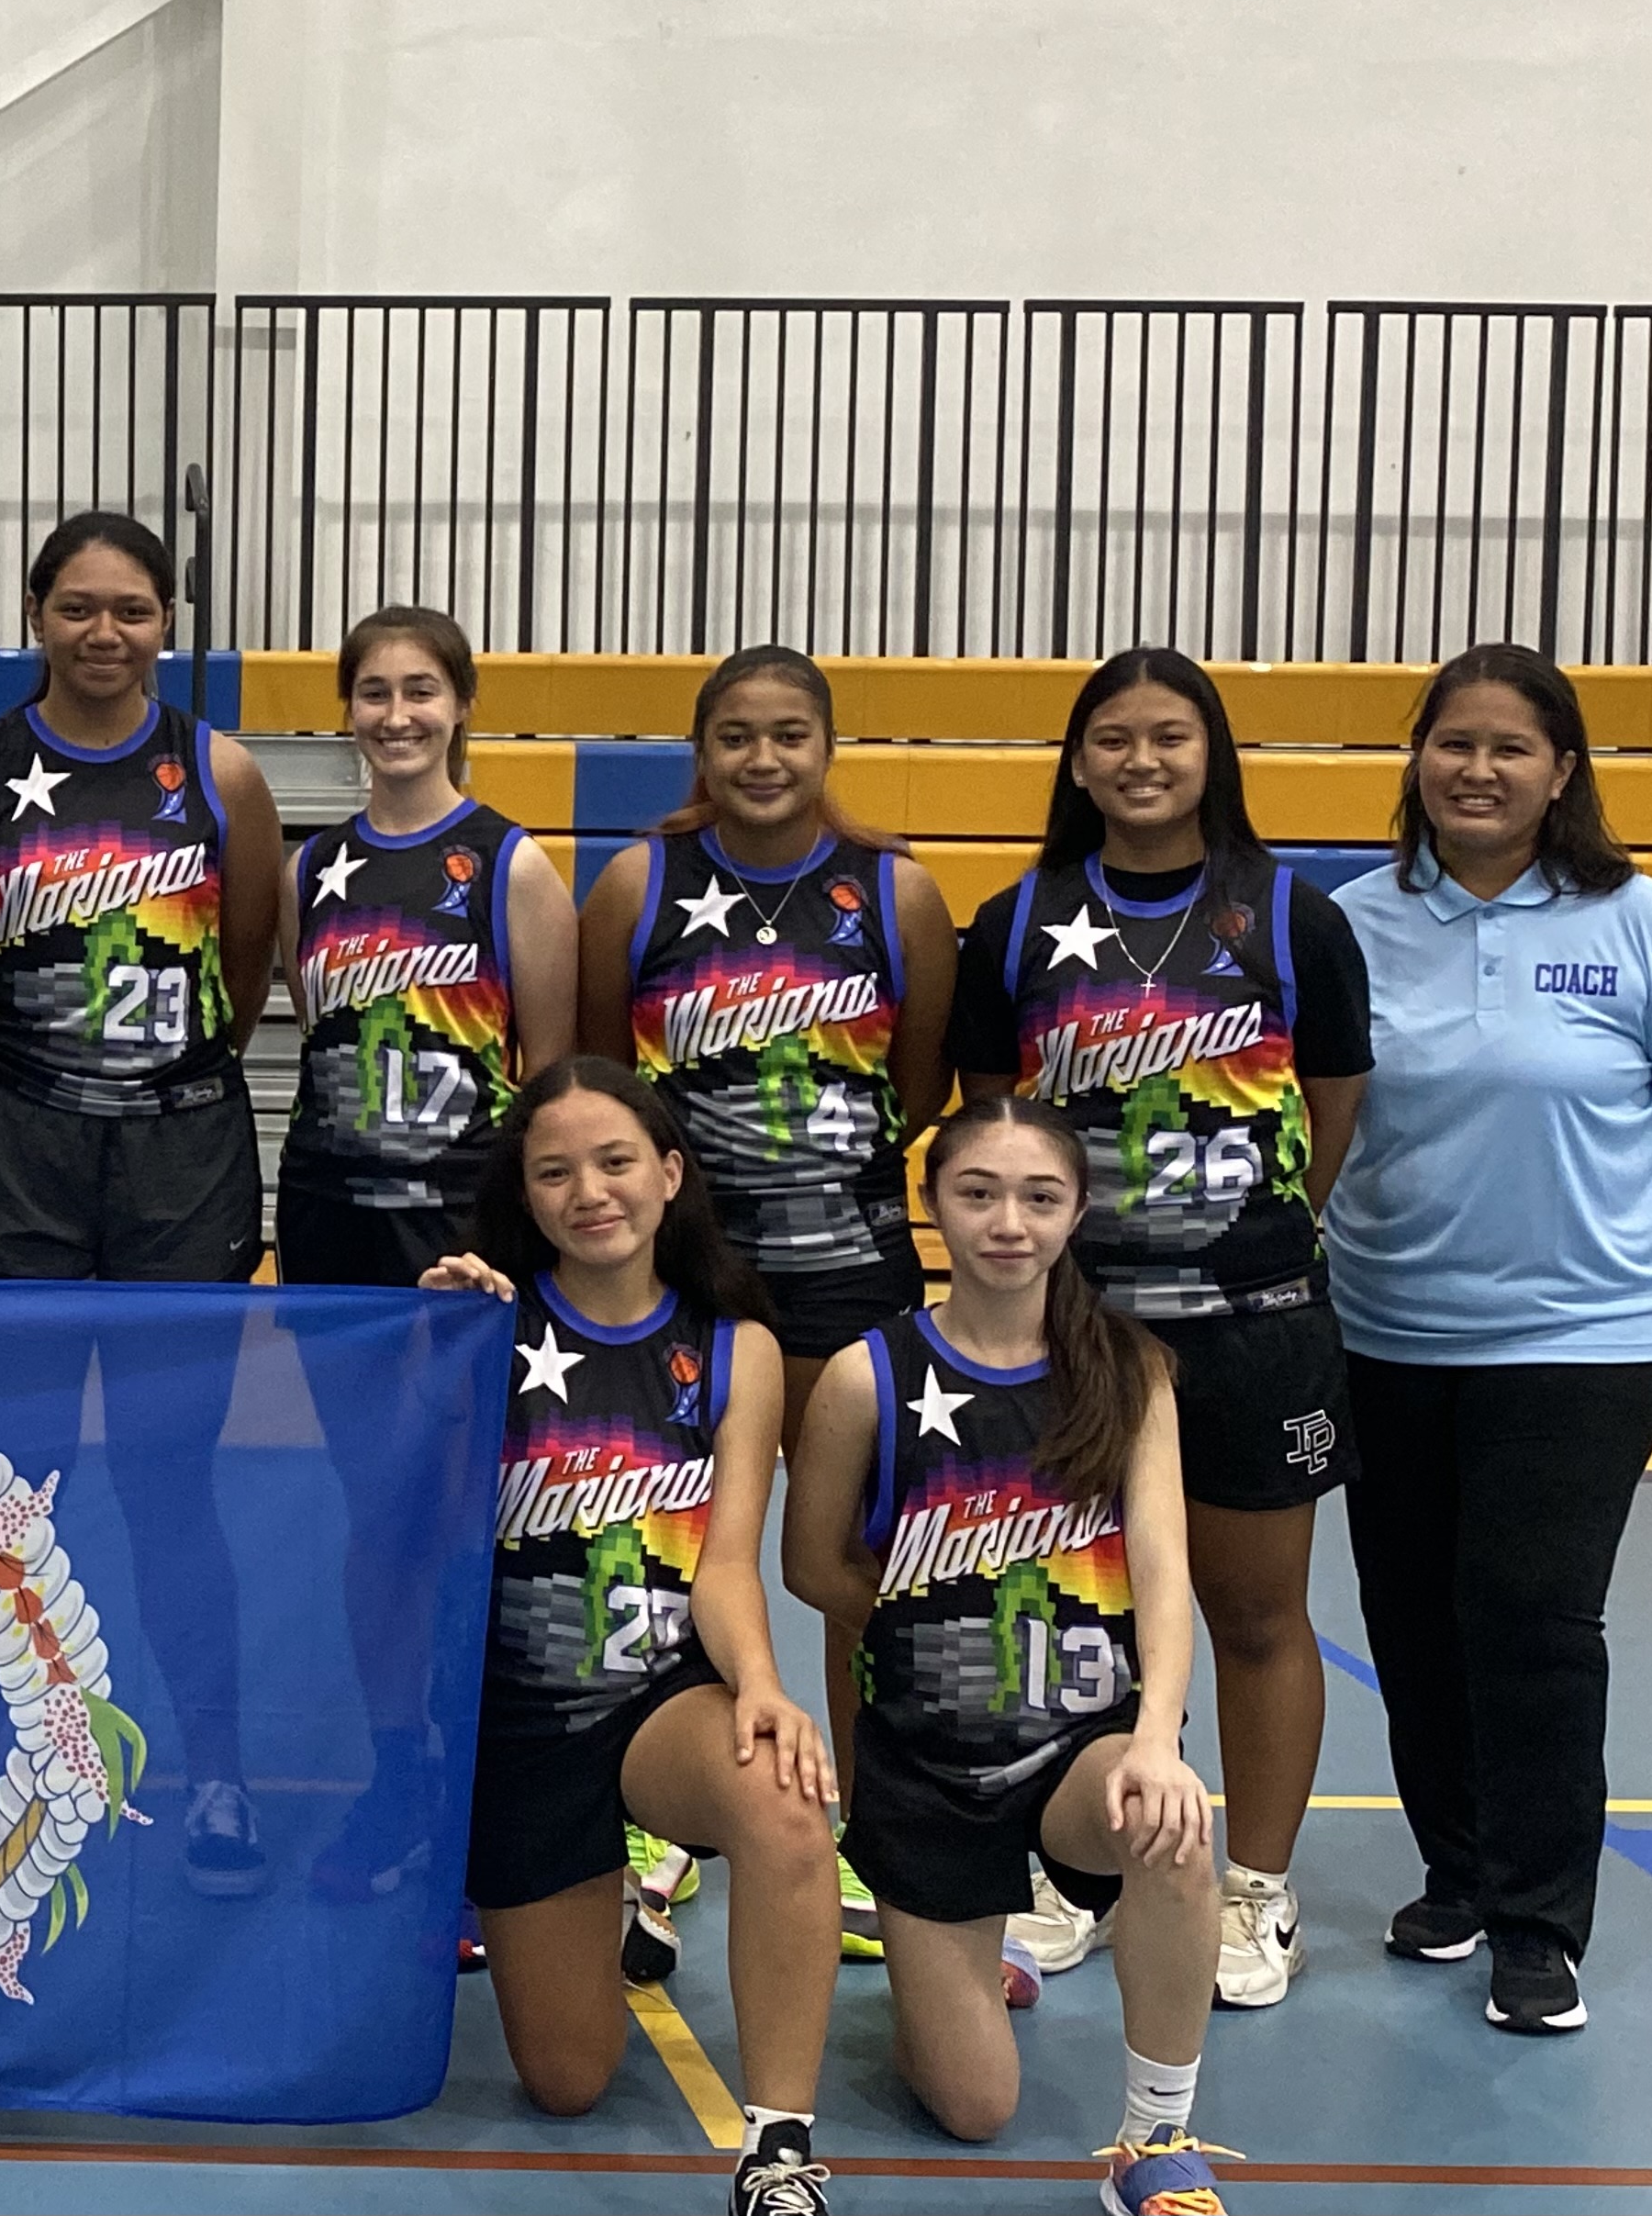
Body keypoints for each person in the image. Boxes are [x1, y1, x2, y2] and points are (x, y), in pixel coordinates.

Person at [953, 648, 1372, 2009]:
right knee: (1079, 1601)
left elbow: (1330, 1110)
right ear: (1074, 763)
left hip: (1253, 1328)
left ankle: (1252, 1882)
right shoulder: (1020, 920)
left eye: (1169, 738)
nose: (1140, 761)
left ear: (1212, 755)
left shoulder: (1288, 915)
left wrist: (1241, 1242)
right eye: (1113, 740)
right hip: (1078, 1330)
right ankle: (1076, 1868)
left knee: (1252, 1610)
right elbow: (990, 1122)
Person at [0, 511, 285, 1890]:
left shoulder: (217, 772)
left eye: (130, 608)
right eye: (77, 606)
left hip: (179, 1151)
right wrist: (39, 1092)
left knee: (167, 1481)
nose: (104, 632)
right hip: (20, 1137)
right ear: (33, 613)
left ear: (165, 619)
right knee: (2, 1475)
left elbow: (242, 971)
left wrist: (149, 1085)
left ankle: (216, 1770)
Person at [782, 1097, 1236, 2216]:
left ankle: (1153, 2140)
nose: (1007, 1221)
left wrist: (1155, 1734)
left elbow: (1163, 1574)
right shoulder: (863, 1376)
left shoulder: (1127, 1374)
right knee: (976, 2104)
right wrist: (924, 1616)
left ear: (1076, 1210)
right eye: (976, 1192)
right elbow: (811, 1566)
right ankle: (962, 1954)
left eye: (1038, 1196)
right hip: (927, 1768)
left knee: (1172, 1827)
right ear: (931, 1203)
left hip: (1078, 1747)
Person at [417, 1061, 841, 2216]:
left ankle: (780, 2146)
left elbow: (725, 1562)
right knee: (566, 2081)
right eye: (554, 1170)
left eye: (614, 1162)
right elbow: (396, 1524)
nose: (588, 1190)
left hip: (661, 1701)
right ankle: (610, 1895)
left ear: (669, 1173)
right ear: (526, 1192)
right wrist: (429, 1339)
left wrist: (760, 1683)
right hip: (520, 1724)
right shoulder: (479, 1324)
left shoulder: (735, 1344)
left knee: (786, 1793)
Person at [580, 644, 954, 1955]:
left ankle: (862, 1825)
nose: (760, 758)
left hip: (849, 1267)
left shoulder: (889, 894)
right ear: (699, 749)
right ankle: (665, 1821)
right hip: (684, 1279)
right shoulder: (639, 882)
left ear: (826, 742)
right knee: (678, 1547)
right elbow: (598, 1078)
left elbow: (912, 1086)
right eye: (733, 735)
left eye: (787, 734)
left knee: (853, 1564)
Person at [1323, 645, 1652, 2037]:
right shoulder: (1344, 921)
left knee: (1527, 1619)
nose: (1475, 769)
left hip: (1581, 1338)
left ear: (1561, 772)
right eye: (1450, 743)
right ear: (1413, 759)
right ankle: (1453, 1871)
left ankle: (1537, 1923)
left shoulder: (1637, 919)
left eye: (1508, 749)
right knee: (1409, 1619)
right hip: (1381, 1330)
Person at [274, 605, 576, 1907]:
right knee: (370, 1518)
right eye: (372, 693)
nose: (395, 716)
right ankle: (395, 1771)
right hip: (336, 1224)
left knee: (476, 1523)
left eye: (420, 693)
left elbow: (547, 1075)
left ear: (461, 706)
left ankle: (497, 1786)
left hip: (464, 1240)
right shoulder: (312, 869)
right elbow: (311, 1024)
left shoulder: (507, 868)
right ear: (344, 710)